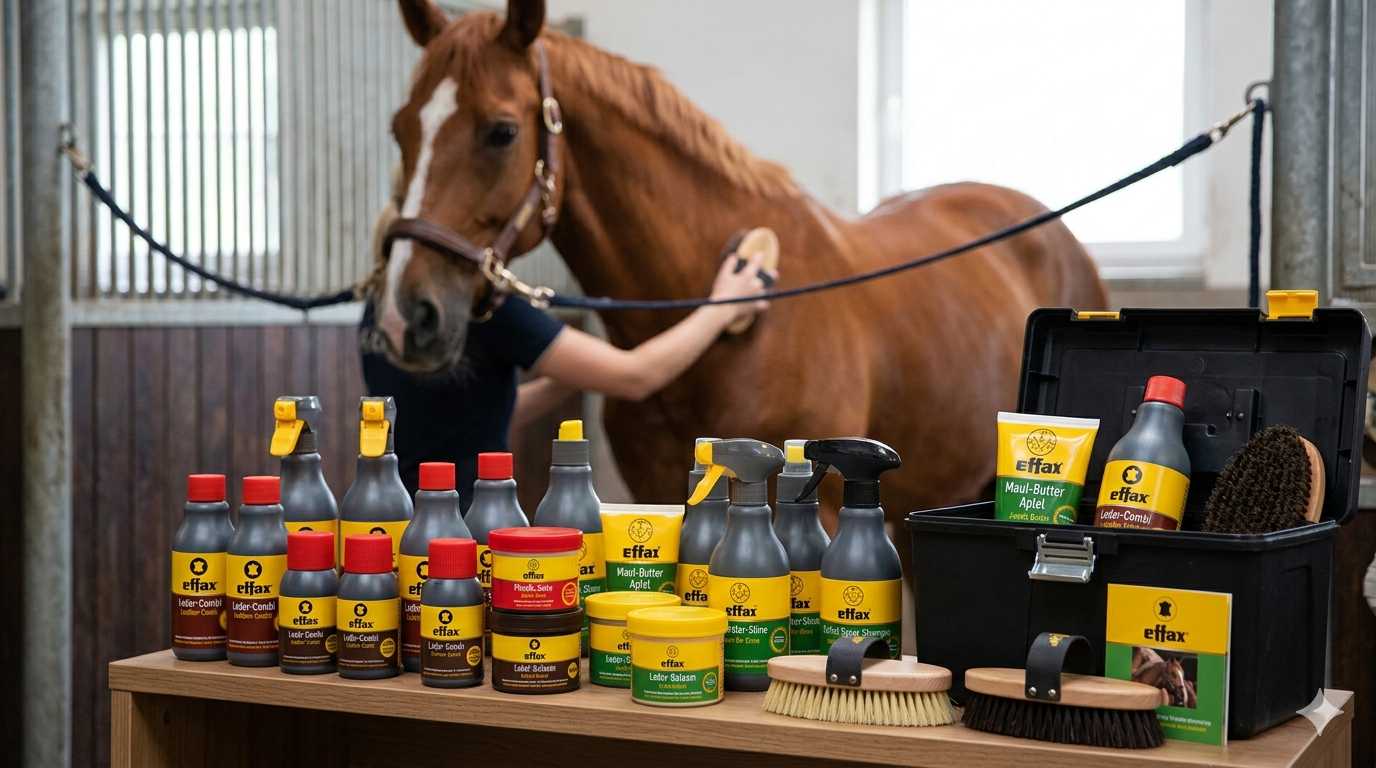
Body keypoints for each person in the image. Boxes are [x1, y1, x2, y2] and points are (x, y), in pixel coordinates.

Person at [361, 249, 773, 507]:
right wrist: (722, 306)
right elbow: (636, 377)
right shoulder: (486, 310)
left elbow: (471, 419)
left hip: (395, 519)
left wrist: (572, 373)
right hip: (472, 526)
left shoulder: (378, 312)